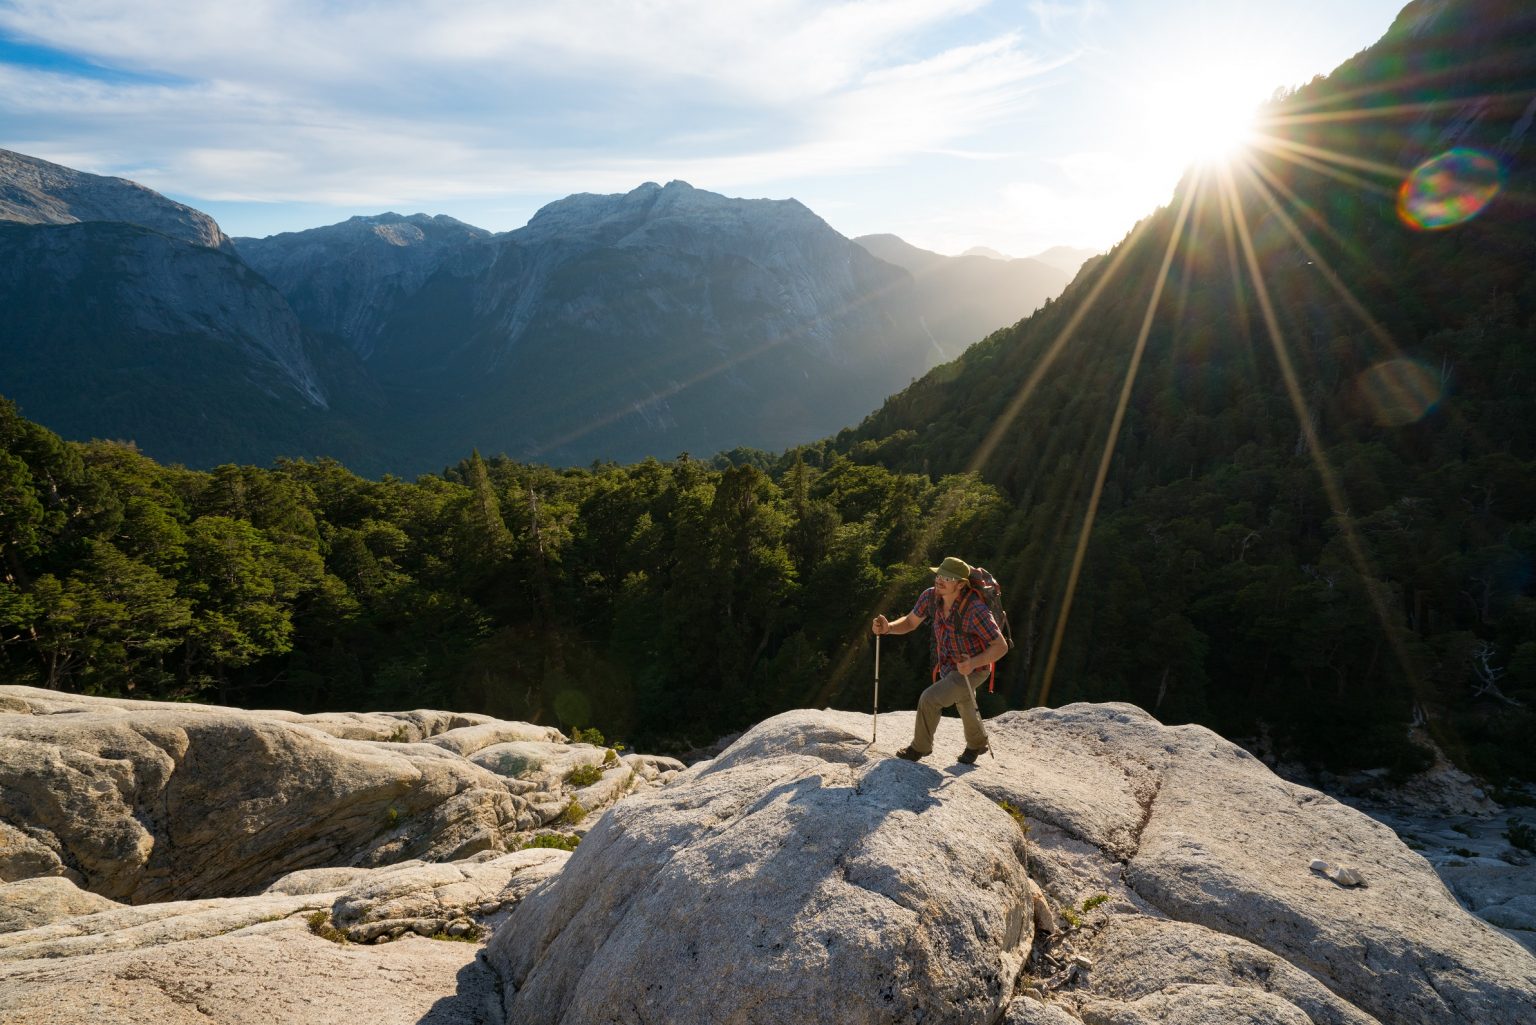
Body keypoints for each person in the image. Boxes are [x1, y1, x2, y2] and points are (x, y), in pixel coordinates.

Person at [871, 556, 1008, 765]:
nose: (939, 580)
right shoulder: (930, 598)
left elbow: (1000, 646)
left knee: (930, 699)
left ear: (961, 584)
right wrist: (888, 627)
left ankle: (920, 748)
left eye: (947, 578)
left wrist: (972, 663)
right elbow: (909, 622)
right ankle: (977, 744)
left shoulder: (975, 610)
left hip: (975, 669)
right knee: (965, 701)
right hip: (948, 665)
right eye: (939, 575)